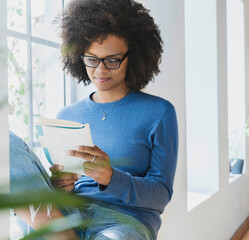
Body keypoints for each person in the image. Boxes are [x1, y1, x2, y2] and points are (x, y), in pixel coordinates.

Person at [9, 0, 178, 239]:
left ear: (134, 57)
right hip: (68, 215)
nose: (100, 70)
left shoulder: (159, 112)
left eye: (112, 60)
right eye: (92, 59)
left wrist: (111, 178)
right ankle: (64, 233)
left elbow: (161, 193)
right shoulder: (66, 116)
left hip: (125, 221)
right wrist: (61, 186)